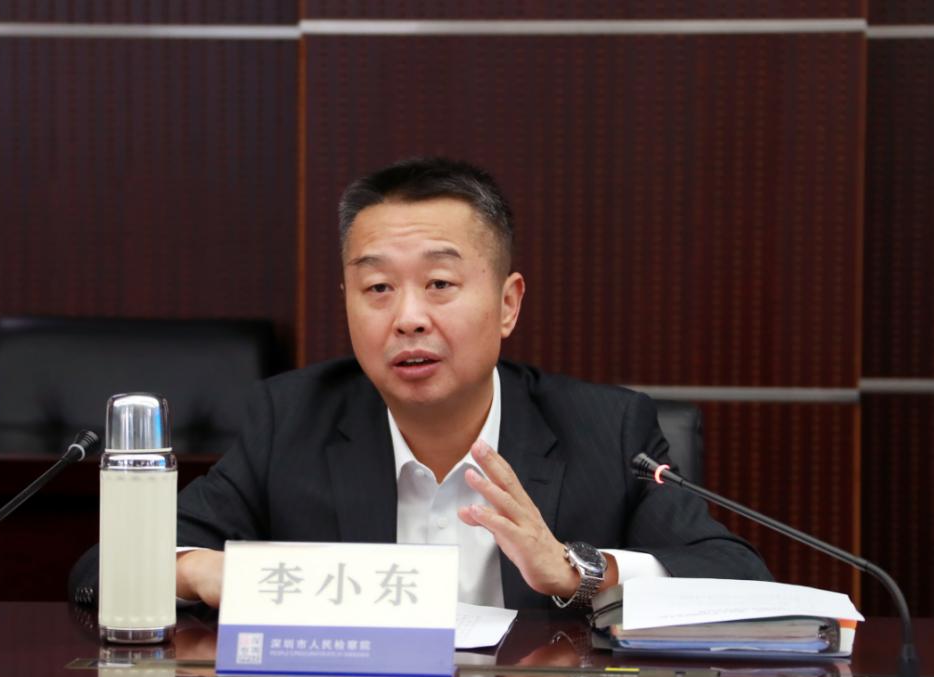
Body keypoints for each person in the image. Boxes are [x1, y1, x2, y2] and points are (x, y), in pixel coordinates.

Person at [72, 157, 770, 611]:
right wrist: (202, 573)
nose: (408, 318)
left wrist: (577, 572)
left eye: (440, 283)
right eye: (377, 288)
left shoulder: (606, 431)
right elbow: (102, 569)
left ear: (507, 304)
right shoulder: (292, 421)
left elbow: (739, 580)